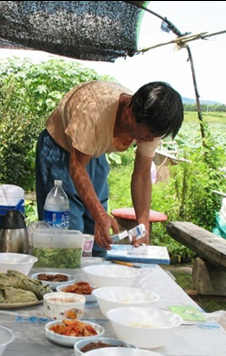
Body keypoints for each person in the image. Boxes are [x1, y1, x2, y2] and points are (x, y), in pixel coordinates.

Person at [35, 80, 183, 255]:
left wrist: (143, 226)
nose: (151, 140)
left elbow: (143, 175)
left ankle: (92, 281)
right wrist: (99, 214)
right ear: (130, 112)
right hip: (59, 149)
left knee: (100, 239)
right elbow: (76, 166)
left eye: (156, 135)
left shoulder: (153, 123)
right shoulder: (95, 111)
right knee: (68, 238)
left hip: (95, 153)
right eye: (149, 133)